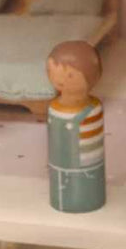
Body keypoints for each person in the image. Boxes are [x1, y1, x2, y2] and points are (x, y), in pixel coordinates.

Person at [46, 41, 107, 213]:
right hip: (60, 169)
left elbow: (92, 151)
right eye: (52, 70)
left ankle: (83, 201)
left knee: (86, 183)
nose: (60, 79)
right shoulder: (54, 109)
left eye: (70, 75)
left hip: (87, 172)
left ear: (92, 77)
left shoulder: (92, 110)